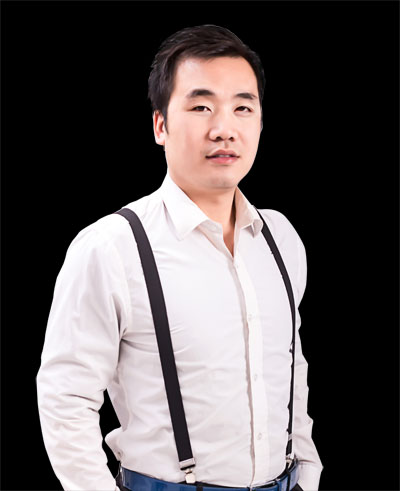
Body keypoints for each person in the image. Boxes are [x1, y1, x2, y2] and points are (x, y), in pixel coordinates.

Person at [37, 25, 323, 491]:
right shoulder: (113, 247)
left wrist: (308, 473)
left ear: (259, 122)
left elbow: (291, 370)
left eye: (243, 107)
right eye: (201, 106)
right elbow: (65, 398)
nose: (224, 128)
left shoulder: (281, 239)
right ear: (160, 125)